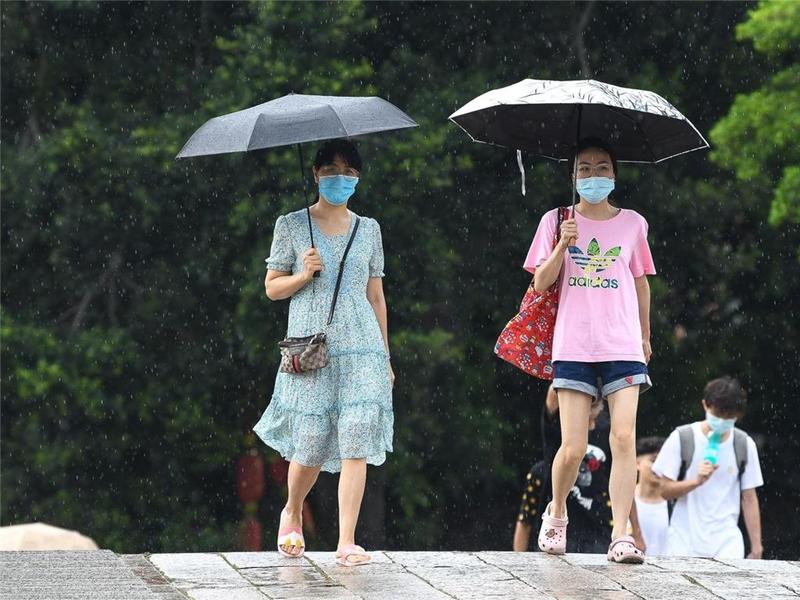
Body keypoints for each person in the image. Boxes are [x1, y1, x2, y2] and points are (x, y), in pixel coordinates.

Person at [253, 139, 394, 566]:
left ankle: (346, 541)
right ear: (315, 174)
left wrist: (385, 356)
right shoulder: (292, 225)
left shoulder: (368, 229)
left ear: (359, 178)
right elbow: (272, 288)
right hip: (312, 344)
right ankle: (293, 509)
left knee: (357, 434)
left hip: (363, 346)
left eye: (349, 170)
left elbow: (376, 296)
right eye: (331, 169)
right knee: (311, 443)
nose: (340, 177)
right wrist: (303, 273)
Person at [524, 137, 656, 563]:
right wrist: (563, 243)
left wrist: (645, 335)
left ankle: (621, 534)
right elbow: (540, 282)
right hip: (574, 343)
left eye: (602, 168)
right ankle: (557, 510)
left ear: (614, 175)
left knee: (622, 438)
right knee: (573, 446)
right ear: (572, 176)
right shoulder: (555, 220)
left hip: (622, 342)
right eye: (584, 168)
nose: (594, 175)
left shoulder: (634, 223)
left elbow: (640, 281)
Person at [651, 376, 764, 559]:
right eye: (718, 415)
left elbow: (749, 497)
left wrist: (756, 546)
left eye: (728, 418)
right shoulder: (682, 437)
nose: (722, 421)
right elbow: (664, 491)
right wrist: (696, 481)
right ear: (705, 405)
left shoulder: (744, 444)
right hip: (683, 540)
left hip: (726, 541)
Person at [514, 385, 614, 553]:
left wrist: (636, 531)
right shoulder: (558, 424)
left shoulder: (607, 430)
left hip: (598, 532)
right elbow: (525, 521)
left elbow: (618, 479)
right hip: (557, 530)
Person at [633, 436, 668, 556]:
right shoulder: (622, 501)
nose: (659, 467)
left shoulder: (675, 504)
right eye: (653, 460)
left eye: (664, 462)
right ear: (637, 462)